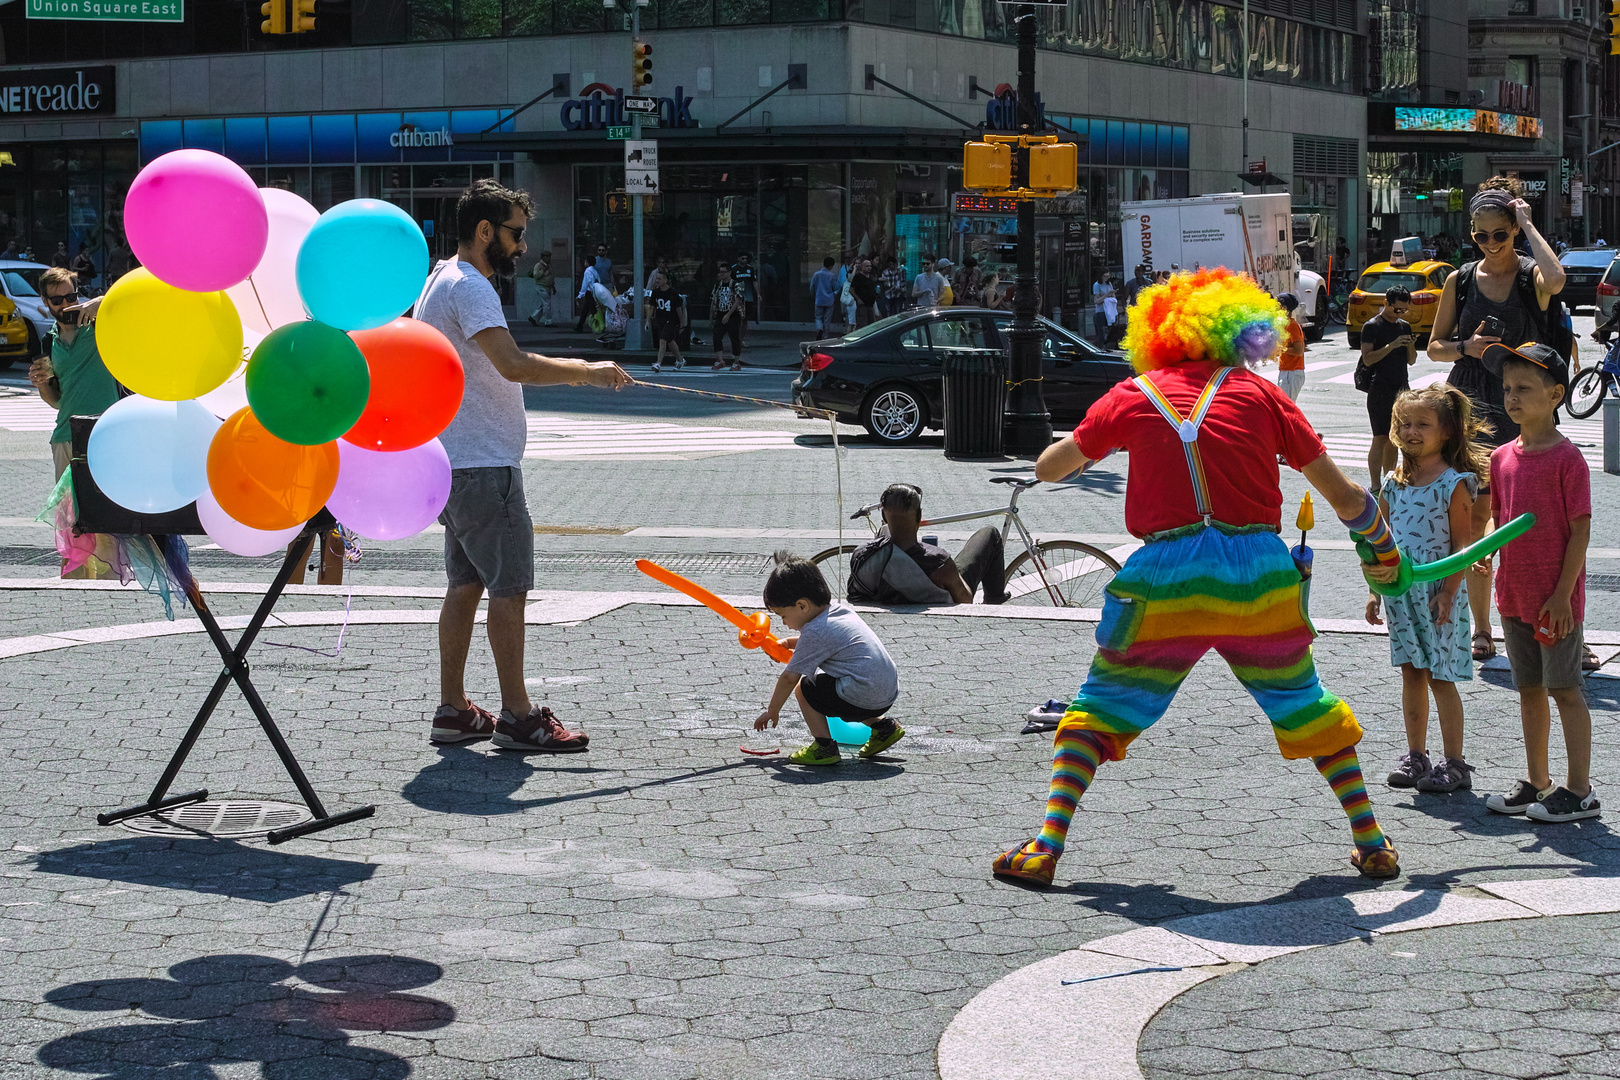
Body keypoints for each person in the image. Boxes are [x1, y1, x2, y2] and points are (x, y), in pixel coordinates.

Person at [992, 269, 1404, 888]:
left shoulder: (1134, 394)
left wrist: (1090, 438)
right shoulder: (1264, 396)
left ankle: (1047, 847)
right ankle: (1371, 840)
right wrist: (1382, 551)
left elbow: (1052, 468)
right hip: (1260, 575)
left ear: (1154, 332)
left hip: (1166, 577)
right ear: (1241, 332)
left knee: (1100, 708)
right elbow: (1345, 497)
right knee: (1302, 702)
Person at [418, 179, 631, 751]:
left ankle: (454, 709)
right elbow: (512, 365)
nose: (522, 247)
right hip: (486, 469)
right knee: (508, 590)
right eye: (514, 234)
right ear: (484, 231)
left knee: (464, 586)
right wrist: (588, 370)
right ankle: (518, 716)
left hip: (455, 466)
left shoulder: (440, 278)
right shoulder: (471, 288)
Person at [1428, 178, 1566, 666]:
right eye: (1481, 235)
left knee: (1531, 522)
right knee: (1477, 518)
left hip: (1521, 402)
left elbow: (1559, 278)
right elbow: (1434, 346)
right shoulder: (1460, 279)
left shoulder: (1531, 277)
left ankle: (1547, 620)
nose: (1489, 244)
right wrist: (1469, 347)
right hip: (1468, 406)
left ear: (1513, 232)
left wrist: (1528, 221)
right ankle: (1483, 629)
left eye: (1499, 234)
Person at [1479, 342, 1597, 823]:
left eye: (1525, 388)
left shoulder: (1568, 460)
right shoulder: (1503, 456)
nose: (1512, 397)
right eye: (1508, 388)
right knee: (1528, 688)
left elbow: (1581, 530)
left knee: (1565, 689)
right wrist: (1486, 550)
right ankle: (1537, 780)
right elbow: (1498, 518)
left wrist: (1564, 593)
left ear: (1555, 395)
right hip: (1515, 595)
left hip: (1555, 601)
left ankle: (1581, 790)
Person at [1368, 385, 1489, 794]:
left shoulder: (1454, 482)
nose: (1411, 430)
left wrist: (1451, 591)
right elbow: (1378, 542)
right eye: (1404, 423)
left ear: (1448, 431)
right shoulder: (1392, 482)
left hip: (1438, 594)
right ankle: (1415, 755)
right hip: (1401, 595)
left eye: (1423, 424)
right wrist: (1373, 588)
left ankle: (1455, 763)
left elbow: (1462, 546)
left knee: (1441, 677)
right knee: (1412, 673)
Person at [753, 553, 903, 766]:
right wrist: (789, 642)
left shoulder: (815, 631)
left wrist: (772, 710)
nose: (784, 622)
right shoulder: (840, 612)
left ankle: (824, 748)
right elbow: (827, 641)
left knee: (805, 689)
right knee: (838, 686)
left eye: (783, 616)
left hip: (863, 694)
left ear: (802, 606)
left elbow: (789, 677)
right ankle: (885, 728)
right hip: (886, 691)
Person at [28, 267, 116, 578]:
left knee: (104, 512)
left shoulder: (99, 326)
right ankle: (76, 579)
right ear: (45, 301)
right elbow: (57, 399)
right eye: (57, 299)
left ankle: (107, 579)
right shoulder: (46, 341)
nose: (65, 304)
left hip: (104, 432)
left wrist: (101, 301)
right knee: (70, 516)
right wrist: (42, 385)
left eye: (71, 296)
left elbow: (131, 304)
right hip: (65, 434)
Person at [846, 483, 1007, 606]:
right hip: (939, 586)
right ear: (920, 515)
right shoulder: (939, 561)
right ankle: (994, 602)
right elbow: (965, 600)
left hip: (892, 596)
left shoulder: (864, 555)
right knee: (990, 533)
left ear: (884, 516)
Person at [1359, 285, 1418, 491]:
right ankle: (1375, 485)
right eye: (1396, 310)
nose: (1399, 314)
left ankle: (1389, 480)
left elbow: (1411, 361)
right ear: (1386, 303)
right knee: (1380, 437)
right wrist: (1391, 346)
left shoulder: (1404, 326)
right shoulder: (1372, 326)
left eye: (1404, 310)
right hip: (1380, 388)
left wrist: (1409, 345)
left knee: (1396, 438)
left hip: (1401, 388)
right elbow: (1367, 359)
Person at [645, 268, 687, 373]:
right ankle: (680, 359)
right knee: (670, 341)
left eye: (659, 279)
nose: (657, 281)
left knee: (662, 340)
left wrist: (682, 323)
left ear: (665, 280)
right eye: (656, 279)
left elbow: (678, 308)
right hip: (660, 320)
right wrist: (647, 320)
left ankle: (658, 363)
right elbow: (651, 307)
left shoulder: (673, 293)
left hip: (671, 320)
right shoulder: (655, 292)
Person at [710, 261, 744, 371]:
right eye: (721, 272)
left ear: (729, 273)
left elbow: (738, 300)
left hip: (733, 315)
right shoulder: (718, 286)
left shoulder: (735, 284)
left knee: (734, 338)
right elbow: (714, 300)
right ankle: (720, 360)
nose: (722, 274)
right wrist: (711, 315)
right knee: (716, 336)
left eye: (724, 272)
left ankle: (736, 361)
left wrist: (728, 314)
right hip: (720, 313)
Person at [1275, 292, 1306, 401]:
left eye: (1277, 305)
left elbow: (1299, 351)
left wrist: (1281, 348)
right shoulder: (1284, 325)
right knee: (1283, 407)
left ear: (1284, 308)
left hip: (1292, 373)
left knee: (1286, 408)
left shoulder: (1291, 326)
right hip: (1287, 372)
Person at [810, 256, 838, 340]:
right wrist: (834, 294)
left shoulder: (816, 274)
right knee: (827, 320)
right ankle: (825, 336)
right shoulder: (832, 275)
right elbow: (836, 287)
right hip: (829, 300)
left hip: (819, 299)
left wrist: (814, 295)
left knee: (818, 317)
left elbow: (812, 287)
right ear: (831, 266)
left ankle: (819, 329)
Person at [732, 251, 757, 345]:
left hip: (748, 297)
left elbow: (754, 281)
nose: (745, 260)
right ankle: (735, 338)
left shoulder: (750, 269)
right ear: (738, 258)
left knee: (745, 319)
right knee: (736, 319)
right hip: (737, 297)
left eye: (746, 258)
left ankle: (741, 339)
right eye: (743, 258)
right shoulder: (733, 269)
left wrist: (758, 293)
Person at [526, 250, 555, 327]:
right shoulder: (538, 266)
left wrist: (553, 287)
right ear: (543, 257)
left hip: (548, 287)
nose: (549, 259)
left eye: (549, 257)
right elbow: (536, 276)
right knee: (547, 304)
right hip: (542, 287)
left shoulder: (549, 265)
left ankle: (533, 317)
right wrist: (543, 271)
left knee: (544, 304)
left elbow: (551, 277)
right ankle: (549, 321)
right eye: (547, 257)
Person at [573, 255, 601, 333]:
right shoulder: (595, 271)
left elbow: (585, 284)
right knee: (588, 310)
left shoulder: (588, 271)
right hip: (594, 292)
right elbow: (599, 280)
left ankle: (598, 325)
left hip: (589, 293)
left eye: (585, 261)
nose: (584, 263)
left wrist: (580, 295)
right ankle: (580, 325)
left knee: (591, 310)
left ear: (588, 262)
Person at [850, 257, 878, 328]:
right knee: (863, 324)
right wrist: (858, 299)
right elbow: (851, 289)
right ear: (862, 267)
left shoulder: (870, 277)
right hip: (863, 305)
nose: (869, 268)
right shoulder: (858, 277)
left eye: (870, 266)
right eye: (867, 266)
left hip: (870, 305)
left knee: (871, 325)